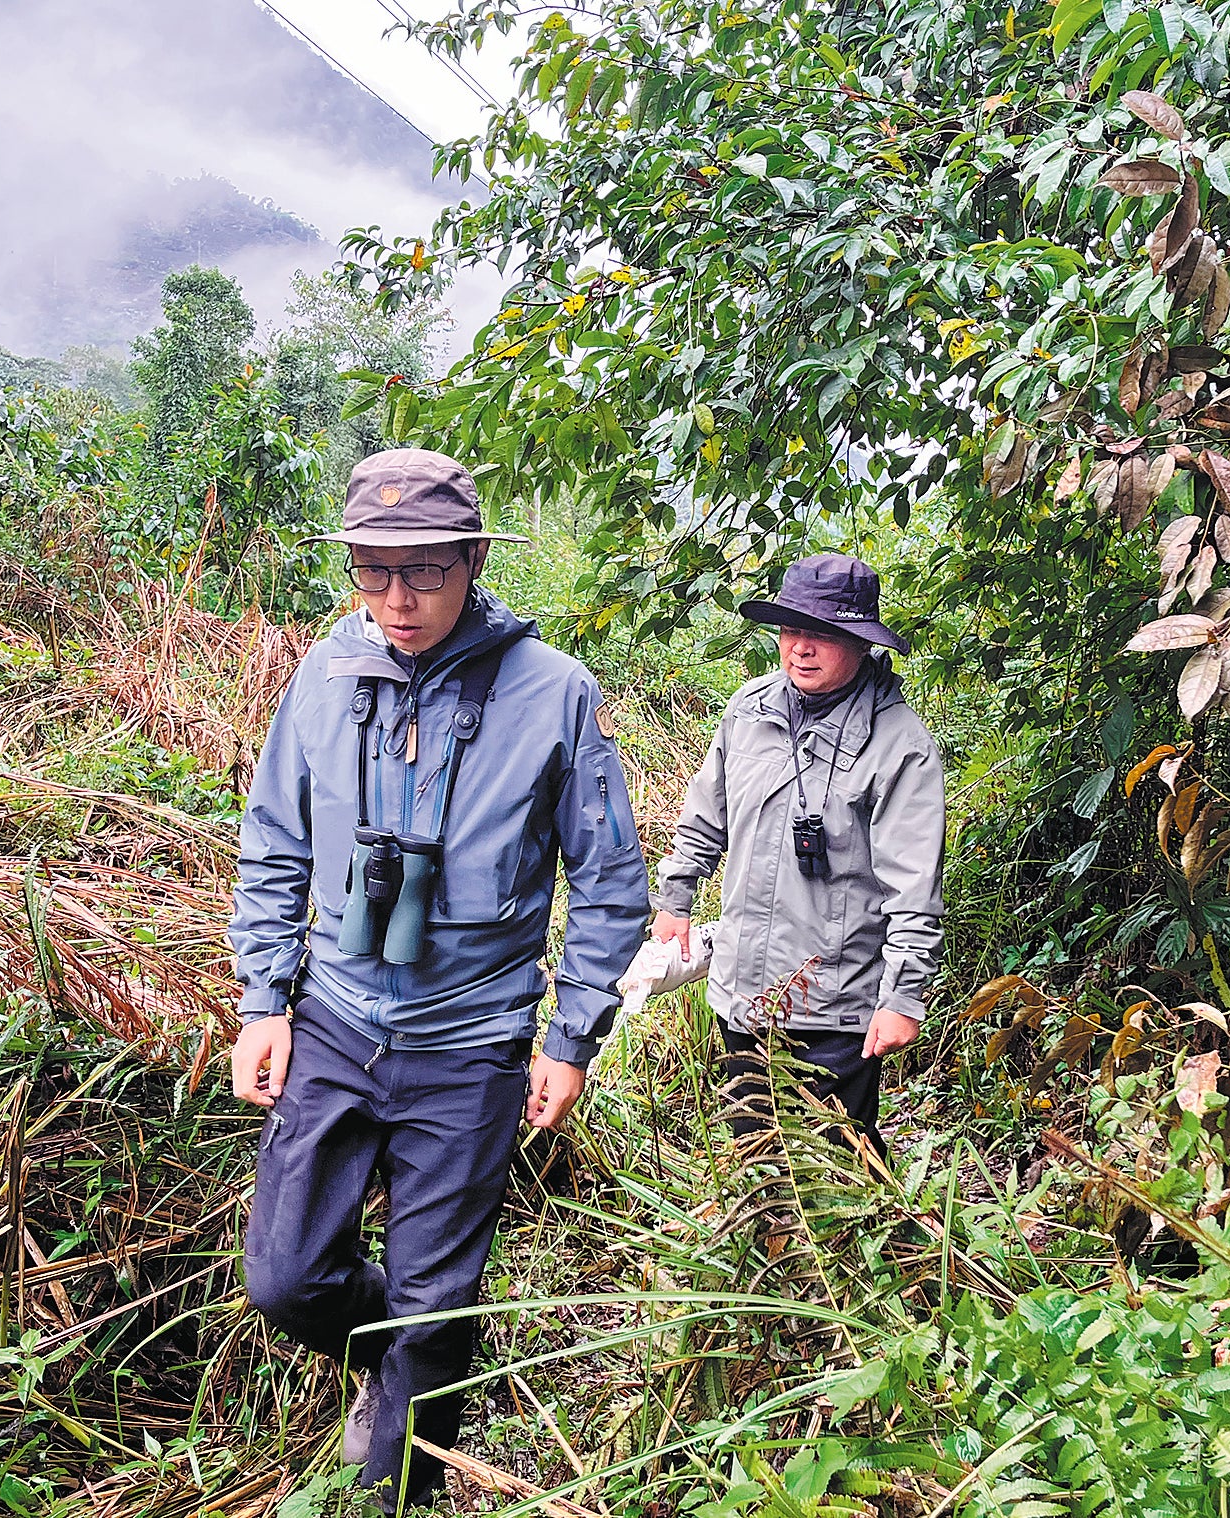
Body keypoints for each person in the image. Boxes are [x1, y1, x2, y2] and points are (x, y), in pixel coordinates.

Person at [227, 448, 649, 1512]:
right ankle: (418, 1340)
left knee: (430, 1306)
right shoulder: (322, 676)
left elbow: (607, 884)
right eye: (372, 571)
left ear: (471, 560)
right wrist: (263, 1002)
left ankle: (397, 1488)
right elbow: (274, 840)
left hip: (471, 1043)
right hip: (334, 1021)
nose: (397, 600)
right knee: (283, 1280)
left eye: (423, 572)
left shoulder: (554, 693)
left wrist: (569, 1039)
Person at [650, 553, 946, 1157]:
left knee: (836, 1175)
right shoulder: (748, 711)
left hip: (837, 1006)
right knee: (754, 1165)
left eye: (823, 633)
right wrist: (676, 895)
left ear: (861, 642)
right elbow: (708, 814)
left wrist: (902, 998)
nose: (800, 648)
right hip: (743, 993)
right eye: (791, 629)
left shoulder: (900, 747)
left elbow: (914, 889)